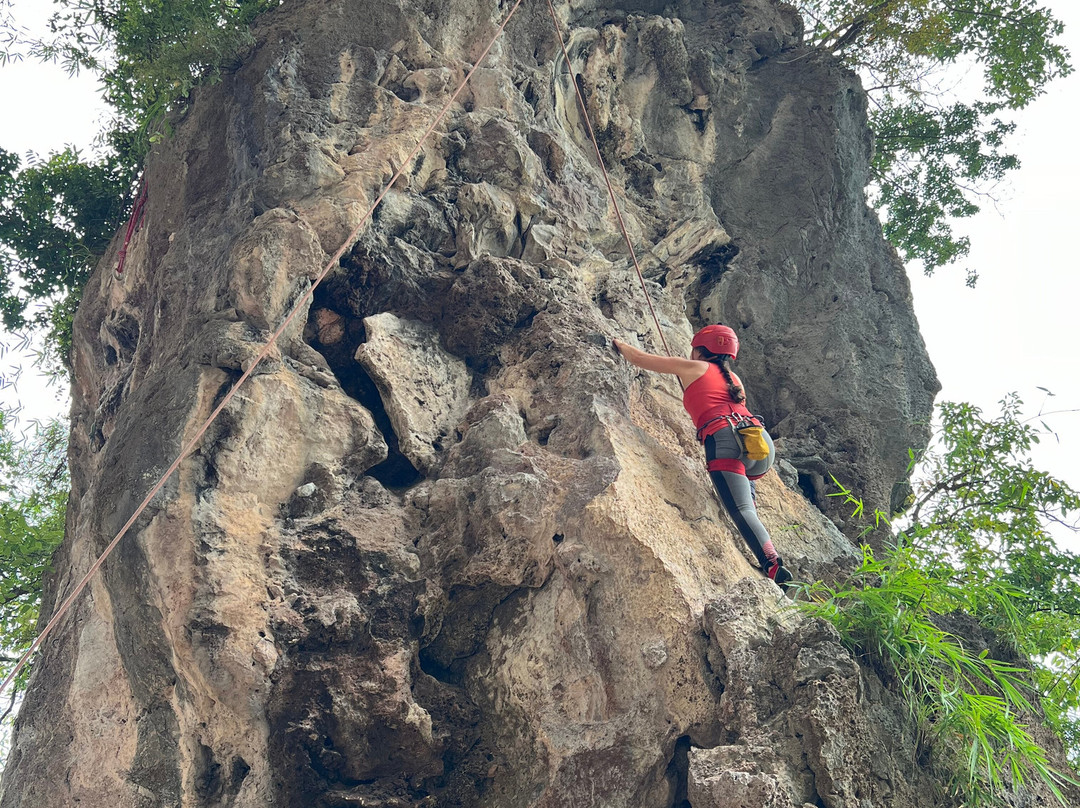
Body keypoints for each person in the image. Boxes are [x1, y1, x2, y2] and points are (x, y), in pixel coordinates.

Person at [612, 325, 792, 584]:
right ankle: (763, 541)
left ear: (699, 349)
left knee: (740, 509)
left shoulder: (693, 367)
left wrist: (615, 340)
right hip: (759, 443)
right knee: (746, 502)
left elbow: (638, 358)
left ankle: (772, 563)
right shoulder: (735, 379)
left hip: (725, 438)